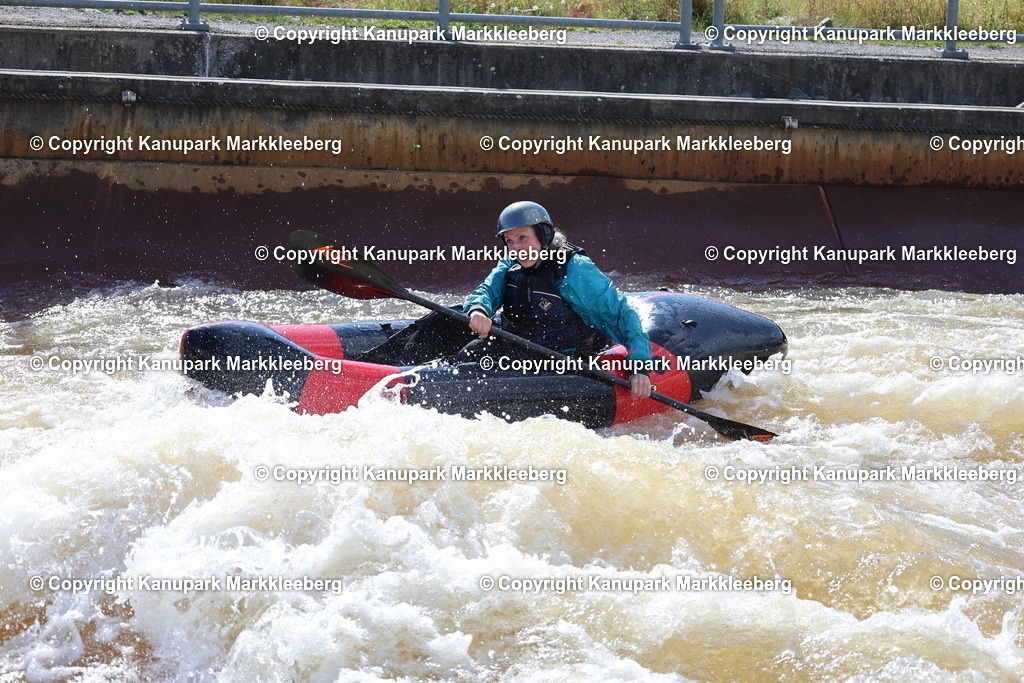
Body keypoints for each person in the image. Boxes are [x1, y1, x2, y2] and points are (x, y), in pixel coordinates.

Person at [462, 201, 653, 398]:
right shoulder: (510, 263)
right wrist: (479, 310)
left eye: (522, 238)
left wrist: (640, 368)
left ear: (543, 235)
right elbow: (486, 291)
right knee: (472, 351)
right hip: (520, 349)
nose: (516, 248)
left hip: (564, 359)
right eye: (510, 241)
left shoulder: (574, 268)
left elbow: (621, 315)